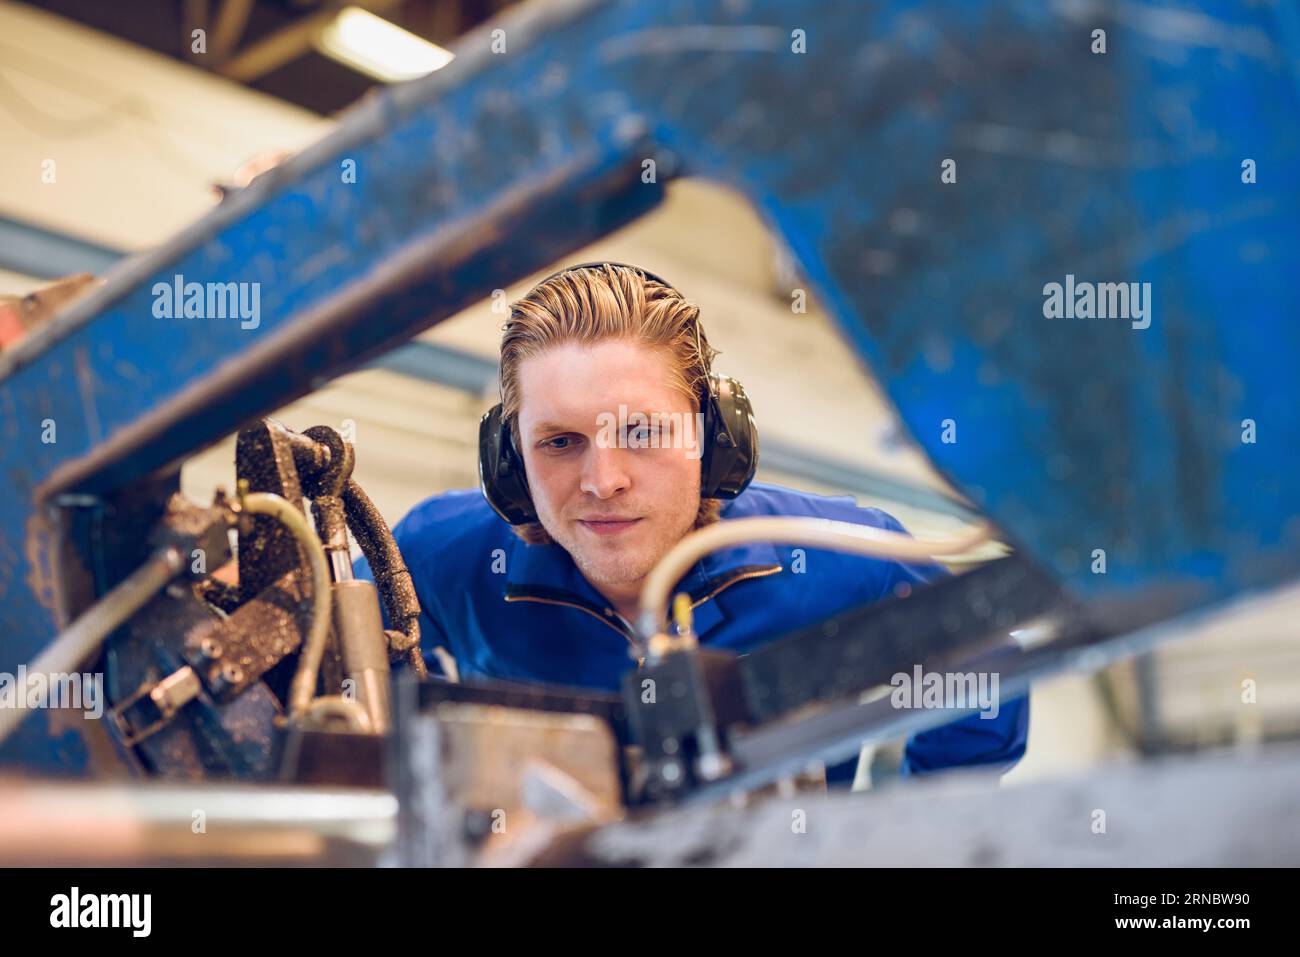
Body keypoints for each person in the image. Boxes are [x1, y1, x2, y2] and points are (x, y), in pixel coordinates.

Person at [355, 262, 1027, 783]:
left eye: (642, 431)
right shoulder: (438, 558)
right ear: (507, 461)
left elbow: (986, 666)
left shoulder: (841, 557)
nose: (603, 480)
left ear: (714, 437)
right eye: (559, 442)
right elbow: (330, 664)